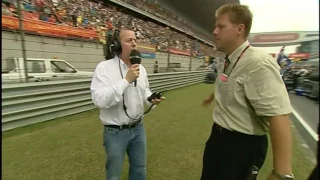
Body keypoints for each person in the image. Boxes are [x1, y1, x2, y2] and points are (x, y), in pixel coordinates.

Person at [201, 4, 294, 180]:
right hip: (218, 138)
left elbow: (279, 115)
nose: (214, 31)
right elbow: (230, 84)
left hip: (242, 146)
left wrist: (281, 173)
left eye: (221, 26)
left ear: (239, 29)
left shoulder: (258, 64)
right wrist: (212, 96)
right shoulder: (228, 59)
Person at [90, 27, 165, 180]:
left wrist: (151, 99)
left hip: (138, 129)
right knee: (113, 175)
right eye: (129, 40)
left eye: (135, 40)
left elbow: (144, 91)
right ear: (118, 45)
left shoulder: (141, 69)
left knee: (139, 170)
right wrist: (126, 81)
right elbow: (99, 99)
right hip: (115, 132)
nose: (134, 44)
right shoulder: (103, 68)